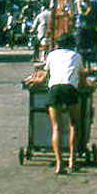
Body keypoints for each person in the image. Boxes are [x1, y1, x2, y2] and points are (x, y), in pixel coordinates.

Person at [39, 31, 86, 175]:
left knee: (56, 127)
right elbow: (82, 80)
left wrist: (35, 80)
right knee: (74, 125)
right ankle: (72, 160)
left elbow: (44, 77)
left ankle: (59, 163)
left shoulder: (52, 55)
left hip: (55, 90)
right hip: (70, 89)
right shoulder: (77, 56)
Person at [73, 0, 97, 89]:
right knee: (79, 53)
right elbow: (78, 15)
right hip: (80, 31)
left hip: (92, 29)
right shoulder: (76, 3)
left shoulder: (95, 3)